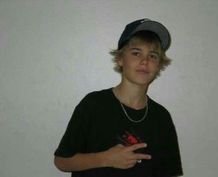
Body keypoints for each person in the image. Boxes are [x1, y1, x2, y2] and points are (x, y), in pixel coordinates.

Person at [54, 18, 183, 177]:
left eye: (153, 55)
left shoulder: (161, 117)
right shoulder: (93, 105)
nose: (145, 61)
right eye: (136, 53)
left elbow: (169, 172)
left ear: (158, 65)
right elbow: (61, 161)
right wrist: (105, 159)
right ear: (120, 59)